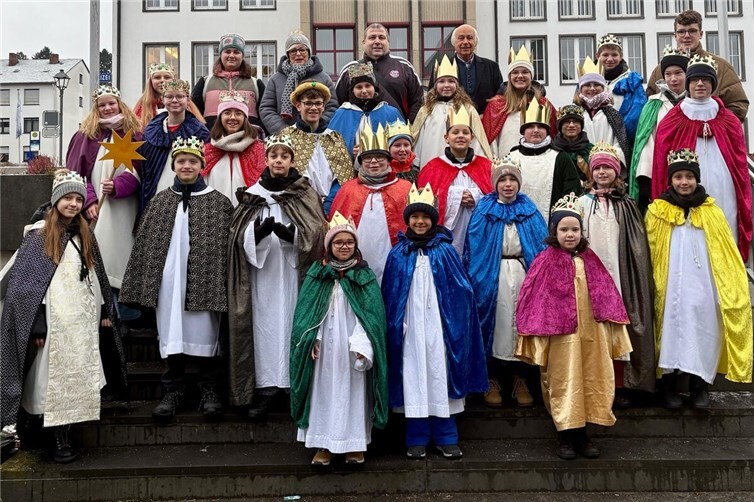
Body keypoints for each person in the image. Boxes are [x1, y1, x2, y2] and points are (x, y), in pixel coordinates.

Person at [1, 170, 127, 463]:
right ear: (56, 200)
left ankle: (65, 431)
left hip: (81, 324)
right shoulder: (39, 235)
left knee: (77, 378)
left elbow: (96, 278)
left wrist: (106, 310)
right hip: (54, 325)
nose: (73, 204)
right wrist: (38, 324)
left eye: (78, 199)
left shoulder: (84, 234)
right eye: (67, 198)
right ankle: (56, 437)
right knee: (49, 382)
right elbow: (27, 289)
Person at [120, 137, 233, 422]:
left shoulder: (219, 203)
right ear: (174, 165)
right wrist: (146, 287)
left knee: (206, 335)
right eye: (181, 161)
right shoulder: (160, 201)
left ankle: (209, 390)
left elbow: (228, 249)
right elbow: (145, 247)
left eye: (193, 161)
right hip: (169, 285)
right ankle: (173, 391)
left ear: (201, 166)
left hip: (206, 284)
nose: (187, 165)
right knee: (171, 335)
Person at [515, 193, 632, 460]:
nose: (570, 234)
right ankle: (565, 435)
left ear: (582, 231)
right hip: (561, 337)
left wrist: (612, 329)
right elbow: (534, 299)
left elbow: (607, 295)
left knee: (592, 378)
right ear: (554, 232)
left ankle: (585, 435)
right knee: (564, 381)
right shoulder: (545, 261)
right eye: (564, 229)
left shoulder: (591, 259)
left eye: (575, 229)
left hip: (592, 335)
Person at [382, 184, 487, 460]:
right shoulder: (397, 253)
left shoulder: (446, 251)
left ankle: (446, 435)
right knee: (413, 376)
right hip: (409, 329)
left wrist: (453, 322)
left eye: (425, 217)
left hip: (440, 328)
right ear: (408, 220)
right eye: (415, 217)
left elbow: (461, 291)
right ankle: (416, 436)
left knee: (440, 374)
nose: (420, 222)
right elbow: (391, 293)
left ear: (433, 219)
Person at [226, 134, 326, 421]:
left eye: (284, 156)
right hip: (262, 275)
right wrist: (254, 235)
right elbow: (235, 236)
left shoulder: (305, 192)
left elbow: (317, 232)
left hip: (294, 274)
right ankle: (266, 389)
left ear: (292, 161)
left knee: (292, 323)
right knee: (264, 329)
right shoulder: (253, 194)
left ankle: (295, 387)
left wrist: (290, 235)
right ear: (266, 159)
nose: (279, 160)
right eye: (274, 156)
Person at [645, 149, 752, 409]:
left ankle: (698, 384)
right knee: (670, 330)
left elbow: (725, 250)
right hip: (669, 285)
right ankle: (668, 385)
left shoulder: (711, 211)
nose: (684, 182)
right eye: (678, 176)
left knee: (701, 330)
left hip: (702, 284)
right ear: (670, 180)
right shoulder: (657, 210)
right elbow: (649, 249)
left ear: (697, 180)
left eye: (689, 177)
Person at [289, 212, 388, 466]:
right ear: (329, 246)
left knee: (354, 394)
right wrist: (312, 337)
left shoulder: (364, 276)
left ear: (356, 245)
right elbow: (307, 313)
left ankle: (354, 445)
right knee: (323, 394)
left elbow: (372, 318)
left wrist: (363, 345)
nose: (344, 247)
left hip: (352, 348)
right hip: (324, 352)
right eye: (338, 242)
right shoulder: (317, 273)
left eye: (349, 242)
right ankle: (324, 444)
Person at [464, 156, 548, 408]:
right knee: (496, 326)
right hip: (493, 274)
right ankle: (492, 379)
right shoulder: (483, 210)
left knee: (519, 327)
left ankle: (520, 379)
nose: (508, 184)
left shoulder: (530, 210)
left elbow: (539, 246)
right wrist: (480, 279)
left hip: (523, 273)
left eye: (513, 179)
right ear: (495, 183)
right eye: (503, 179)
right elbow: (475, 248)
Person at [652, 54, 751, 261]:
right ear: (688, 83)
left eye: (705, 80)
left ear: (713, 84)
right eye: (695, 80)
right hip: (685, 189)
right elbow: (661, 163)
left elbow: (739, 163)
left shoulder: (730, 121)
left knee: (725, 231)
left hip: (725, 190)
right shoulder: (672, 120)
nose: (699, 84)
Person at [579, 143, 655, 406]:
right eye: (597, 167)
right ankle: (594, 383)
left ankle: (621, 384)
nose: (602, 172)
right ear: (590, 172)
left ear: (617, 172)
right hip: (591, 275)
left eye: (607, 168)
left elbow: (637, 246)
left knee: (620, 328)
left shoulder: (627, 205)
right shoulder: (580, 203)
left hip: (621, 275)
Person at [65, 84, 142, 302]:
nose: (107, 108)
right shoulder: (84, 136)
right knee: (96, 252)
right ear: (96, 109)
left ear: (119, 104)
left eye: (111, 103)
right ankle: (99, 304)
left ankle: (123, 306)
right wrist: (88, 201)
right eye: (102, 105)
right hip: (95, 208)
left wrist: (119, 185)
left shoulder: (134, 132)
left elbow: (140, 172)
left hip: (124, 207)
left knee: (122, 251)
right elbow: (76, 173)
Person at [329, 124, 412, 284]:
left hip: (393, 253)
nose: (373, 162)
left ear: (388, 160)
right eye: (367, 158)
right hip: (358, 255)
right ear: (361, 162)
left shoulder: (405, 188)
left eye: (379, 157)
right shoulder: (348, 189)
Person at [645, 9, 748, 122]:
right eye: (681, 32)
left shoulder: (721, 67)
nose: (687, 36)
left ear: (701, 34)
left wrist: (716, 127)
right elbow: (648, 107)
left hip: (707, 136)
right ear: (675, 35)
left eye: (692, 31)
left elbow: (738, 105)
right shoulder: (660, 70)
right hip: (669, 136)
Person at [417, 106, 493, 255]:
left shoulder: (486, 166)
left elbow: (498, 197)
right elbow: (424, 203)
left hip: (480, 232)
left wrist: (476, 197)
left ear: (472, 138)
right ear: (446, 138)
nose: (460, 136)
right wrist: (457, 195)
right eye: (455, 132)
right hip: (446, 235)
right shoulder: (433, 167)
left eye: (465, 132)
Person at [280, 80, 353, 214]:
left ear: (323, 107)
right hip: (300, 207)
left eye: (318, 103)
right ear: (298, 106)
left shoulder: (334, 138)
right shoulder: (286, 136)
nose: (314, 108)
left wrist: (329, 203)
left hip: (333, 208)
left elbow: (344, 177)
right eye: (308, 103)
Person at [139, 79, 210, 214]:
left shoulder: (200, 131)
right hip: (155, 189)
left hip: (187, 191)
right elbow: (144, 164)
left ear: (187, 99)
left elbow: (205, 165)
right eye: (170, 96)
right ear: (163, 99)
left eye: (180, 96)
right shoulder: (151, 130)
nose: (174, 100)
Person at [631, 46, 689, 208]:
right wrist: (645, 176)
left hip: (692, 169)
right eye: (668, 74)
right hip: (661, 169)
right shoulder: (654, 104)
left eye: (678, 73)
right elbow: (646, 141)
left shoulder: (696, 102)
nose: (673, 79)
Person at [508, 98, 581, 222]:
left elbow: (572, 193)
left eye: (540, 127)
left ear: (547, 131)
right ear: (523, 131)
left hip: (552, 224)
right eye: (531, 126)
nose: (536, 130)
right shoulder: (511, 157)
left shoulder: (560, 157)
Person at [412, 55, 491, 169]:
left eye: (451, 81)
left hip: (461, 164)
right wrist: (416, 164)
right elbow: (418, 141)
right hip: (431, 162)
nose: (446, 85)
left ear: (457, 85)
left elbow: (478, 140)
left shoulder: (468, 110)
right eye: (442, 81)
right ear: (435, 86)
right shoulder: (426, 110)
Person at [336, 23, 424, 122]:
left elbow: (418, 101)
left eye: (381, 37)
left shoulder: (404, 66)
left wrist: (409, 127)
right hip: (360, 133)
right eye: (372, 37)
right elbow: (338, 103)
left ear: (388, 42)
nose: (377, 41)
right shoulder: (352, 68)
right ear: (364, 42)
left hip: (397, 132)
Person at [482, 46, 557, 158]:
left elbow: (553, 135)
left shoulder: (543, 104)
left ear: (531, 76)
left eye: (525, 72)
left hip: (538, 162)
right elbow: (490, 140)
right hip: (506, 165)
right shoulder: (496, 105)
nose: (520, 76)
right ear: (510, 76)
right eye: (515, 72)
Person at [259, 30, 339, 134]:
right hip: (285, 139)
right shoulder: (275, 79)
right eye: (293, 51)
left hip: (317, 135)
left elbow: (332, 107)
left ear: (309, 52)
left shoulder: (324, 78)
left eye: (302, 50)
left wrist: (317, 126)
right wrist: (285, 131)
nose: (298, 54)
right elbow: (267, 109)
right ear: (287, 54)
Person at [202, 90, 266, 206]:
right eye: (227, 113)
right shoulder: (209, 150)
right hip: (215, 213)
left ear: (245, 118)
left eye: (238, 113)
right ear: (220, 117)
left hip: (247, 213)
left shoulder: (258, 149)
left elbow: (263, 184)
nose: (232, 117)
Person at [327, 62, 403, 159]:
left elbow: (402, 144)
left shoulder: (391, 112)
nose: (364, 91)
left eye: (368, 86)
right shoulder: (342, 114)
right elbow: (329, 146)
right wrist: (350, 151)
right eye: (359, 87)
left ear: (374, 88)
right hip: (351, 170)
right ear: (352, 90)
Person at [191, 33, 266, 131]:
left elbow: (265, 113)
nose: (231, 55)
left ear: (242, 56)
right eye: (227, 51)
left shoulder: (256, 84)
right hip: (213, 139)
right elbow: (193, 110)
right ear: (220, 54)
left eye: (236, 52)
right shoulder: (205, 83)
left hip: (247, 140)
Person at [428, 24, 503, 115]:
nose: (465, 42)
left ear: (475, 42)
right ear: (454, 43)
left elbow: (500, 98)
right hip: (452, 122)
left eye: (469, 38)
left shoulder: (491, 67)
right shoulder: (440, 66)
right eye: (461, 38)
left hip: (485, 121)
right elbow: (432, 97)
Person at [575, 57, 631, 171]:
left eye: (596, 84)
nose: (592, 88)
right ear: (581, 89)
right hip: (581, 169)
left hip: (607, 170)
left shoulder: (613, 114)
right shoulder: (577, 114)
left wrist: (605, 162)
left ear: (603, 87)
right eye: (587, 85)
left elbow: (621, 144)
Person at [595, 34, 647, 143]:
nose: (610, 59)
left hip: (621, 143)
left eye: (614, 55)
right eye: (605, 55)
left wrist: (621, 139)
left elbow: (636, 115)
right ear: (597, 56)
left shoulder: (631, 81)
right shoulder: (588, 80)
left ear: (621, 56)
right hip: (593, 137)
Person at [551, 104, 593, 183]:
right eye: (567, 122)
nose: (571, 125)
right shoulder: (552, 150)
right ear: (560, 126)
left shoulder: (591, 150)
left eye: (576, 122)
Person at [133, 63, 174, 131]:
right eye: (157, 77)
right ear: (151, 81)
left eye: (167, 77)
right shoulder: (142, 106)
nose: (162, 81)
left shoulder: (183, 103)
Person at [387, 120, 419, 184]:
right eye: (397, 145)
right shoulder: (384, 173)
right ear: (388, 148)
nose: (402, 149)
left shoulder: (416, 172)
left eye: (406, 145)